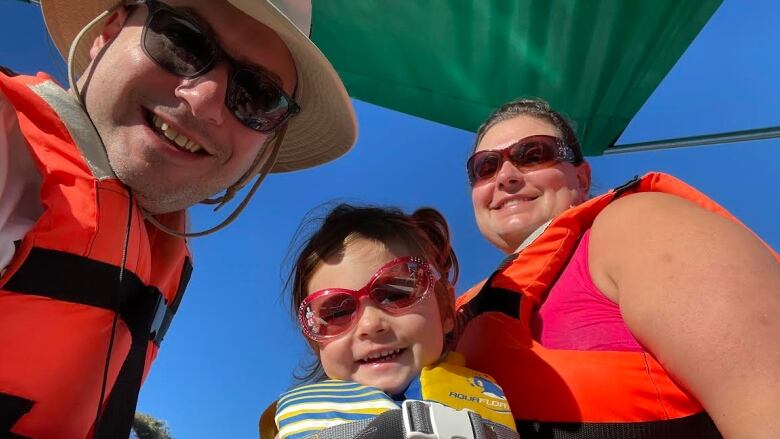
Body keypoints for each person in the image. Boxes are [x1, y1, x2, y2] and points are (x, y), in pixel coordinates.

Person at [0, 1, 356, 438]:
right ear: (108, 31)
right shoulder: (11, 147)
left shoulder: (154, 240)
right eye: (183, 41)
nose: (204, 102)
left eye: (258, 96)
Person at [455, 98, 780, 439]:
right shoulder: (444, 317)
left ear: (581, 178)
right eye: (485, 167)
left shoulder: (638, 226)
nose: (505, 176)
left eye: (534, 154)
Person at [260, 204, 517, 439]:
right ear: (317, 342)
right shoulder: (302, 420)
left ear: (445, 312)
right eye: (336, 313)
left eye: (396, 293)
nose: (371, 324)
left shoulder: (497, 390)